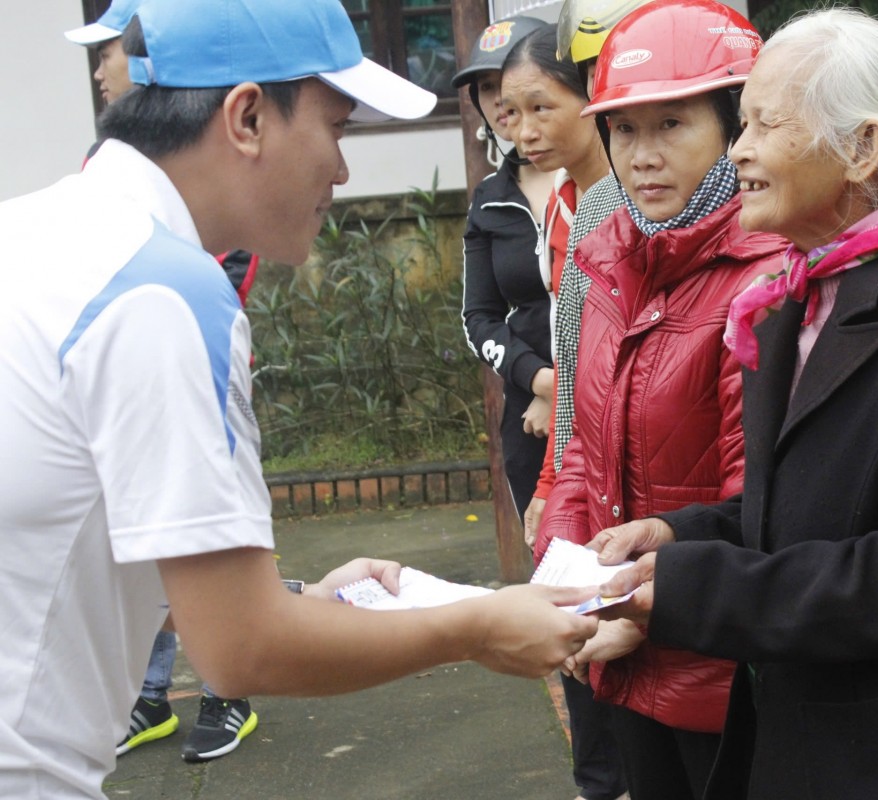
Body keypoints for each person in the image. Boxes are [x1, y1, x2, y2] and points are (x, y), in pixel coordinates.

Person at [0, 1, 598, 797]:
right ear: (247, 116)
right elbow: (240, 649)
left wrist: (300, 600)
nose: (342, 172)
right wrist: (479, 626)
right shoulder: (165, 292)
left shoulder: (36, 230)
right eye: (339, 128)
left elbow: (82, 533)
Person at [591, 8, 878, 800]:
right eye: (741, 126)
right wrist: (677, 531)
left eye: (763, 125)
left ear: (863, 148)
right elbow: (803, 512)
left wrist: (693, 589)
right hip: (805, 746)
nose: (738, 151)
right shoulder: (792, 302)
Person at [534, 3, 786, 797]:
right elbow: (581, 447)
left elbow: (765, 510)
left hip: (732, 677)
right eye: (625, 130)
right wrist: (562, 594)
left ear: (735, 127)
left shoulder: (769, 278)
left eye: (672, 124)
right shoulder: (612, 253)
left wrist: (632, 611)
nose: (642, 157)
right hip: (627, 655)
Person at [66, 2, 264, 764]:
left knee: (204, 532)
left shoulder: (191, 285)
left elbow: (226, 268)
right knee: (137, 532)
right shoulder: (102, 164)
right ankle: (150, 696)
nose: (99, 68)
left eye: (109, 51)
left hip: (196, 370)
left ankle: (225, 693)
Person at [499, 26, 628, 800]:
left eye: (542, 107)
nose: (524, 131)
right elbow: (574, 365)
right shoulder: (563, 206)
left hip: (622, 475)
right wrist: (552, 478)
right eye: (510, 115)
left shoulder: (627, 199)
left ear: (592, 96)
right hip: (581, 468)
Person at [522, 0, 653, 551]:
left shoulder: (759, 215)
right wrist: (556, 490)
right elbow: (574, 369)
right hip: (607, 508)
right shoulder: (597, 209)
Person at [458, 16, 558, 523]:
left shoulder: (607, 182)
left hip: (612, 397)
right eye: (489, 88)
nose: (501, 101)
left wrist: (566, 392)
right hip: (529, 414)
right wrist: (538, 380)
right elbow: (478, 318)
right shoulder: (489, 202)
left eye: (512, 82)